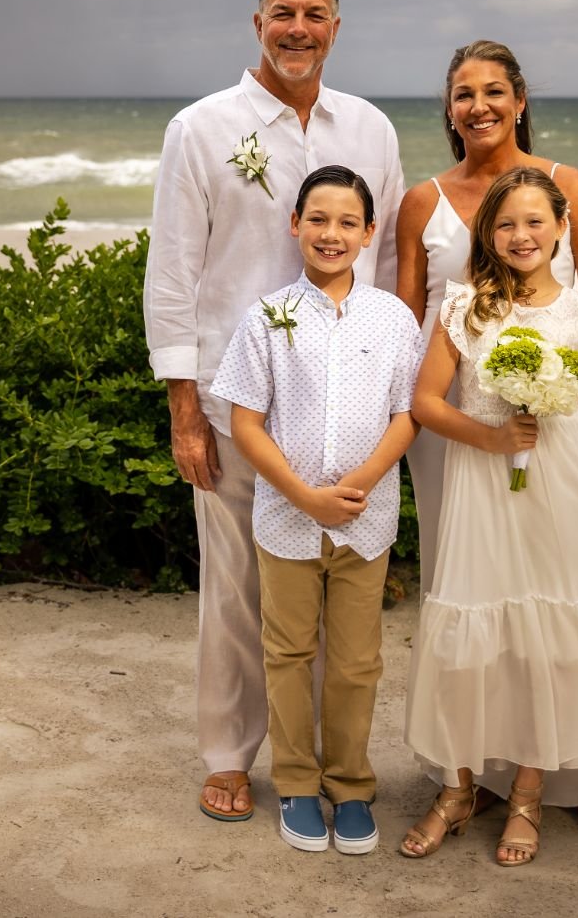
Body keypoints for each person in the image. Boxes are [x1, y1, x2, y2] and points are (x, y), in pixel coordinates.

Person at [143, 0, 405, 825]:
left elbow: (388, 266)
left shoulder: (369, 128)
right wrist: (184, 408)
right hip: (238, 410)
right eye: (283, 11)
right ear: (257, 22)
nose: (299, 27)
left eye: (315, 13)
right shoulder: (200, 128)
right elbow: (173, 273)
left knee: (332, 600)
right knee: (236, 591)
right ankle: (228, 754)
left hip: (348, 411)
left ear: (337, 27)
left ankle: (322, 762)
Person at [400, 166, 578, 865]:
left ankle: (527, 793)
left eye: (534, 221)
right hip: (482, 485)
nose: (521, 235)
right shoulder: (466, 306)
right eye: (506, 224)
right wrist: (490, 436)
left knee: (547, 640)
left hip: (563, 487)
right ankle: (457, 788)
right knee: (469, 633)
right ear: (488, 234)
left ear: (561, 227)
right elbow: (426, 402)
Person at [208, 166, 420, 854]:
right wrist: (303, 495)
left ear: (369, 231)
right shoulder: (266, 317)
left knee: (357, 661)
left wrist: (360, 483)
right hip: (285, 519)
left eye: (347, 221)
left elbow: (407, 413)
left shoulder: (394, 319)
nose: (332, 233)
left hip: (366, 519)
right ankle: (297, 781)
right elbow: (245, 423)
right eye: (319, 219)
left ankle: (351, 784)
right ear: (295, 224)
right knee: (288, 652)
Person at [395, 41, 578, 586]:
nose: (479, 106)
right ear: (450, 110)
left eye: (493, 91)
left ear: (519, 101)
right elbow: (404, 323)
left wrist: (547, 381)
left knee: (548, 560)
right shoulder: (422, 202)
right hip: (448, 407)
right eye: (463, 95)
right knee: (457, 563)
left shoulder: (567, 187)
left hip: (546, 406)